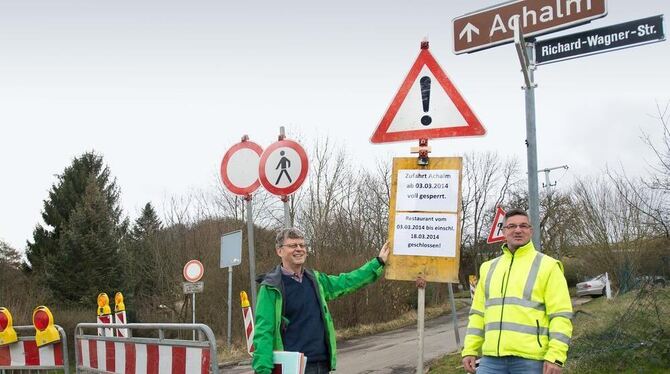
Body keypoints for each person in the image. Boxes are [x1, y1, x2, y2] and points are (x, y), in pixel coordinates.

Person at [252, 228, 389, 374]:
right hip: (293, 369)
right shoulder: (271, 288)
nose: (299, 249)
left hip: (322, 366)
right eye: (293, 245)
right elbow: (263, 333)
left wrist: (378, 262)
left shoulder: (315, 280)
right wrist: (263, 370)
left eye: (302, 245)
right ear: (279, 251)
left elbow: (347, 281)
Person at [462, 209, 573, 374]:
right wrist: (470, 349)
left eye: (523, 226)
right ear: (504, 232)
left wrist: (555, 356)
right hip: (491, 360)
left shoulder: (548, 266)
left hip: (531, 361)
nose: (518, 230)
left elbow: (560, 315)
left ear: (531, 231)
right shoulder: (488, 268)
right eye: (512, 226)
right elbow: (478, 313)